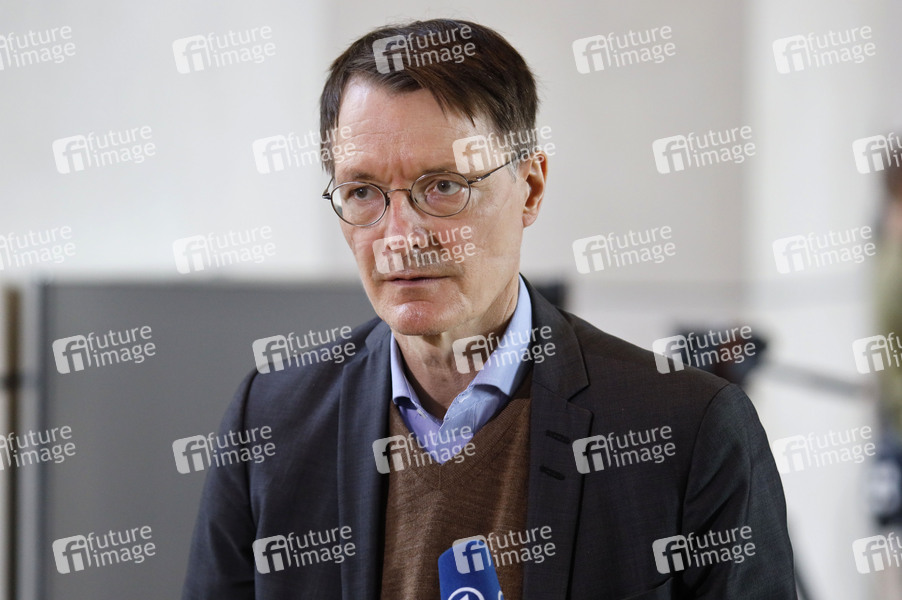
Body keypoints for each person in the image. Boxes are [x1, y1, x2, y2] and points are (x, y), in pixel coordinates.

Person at [181, 18, 796, 599]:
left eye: (444, 186)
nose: (400, 237)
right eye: (363, 191)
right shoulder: (270, 419)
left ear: (530, 188)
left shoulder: (687, 428)